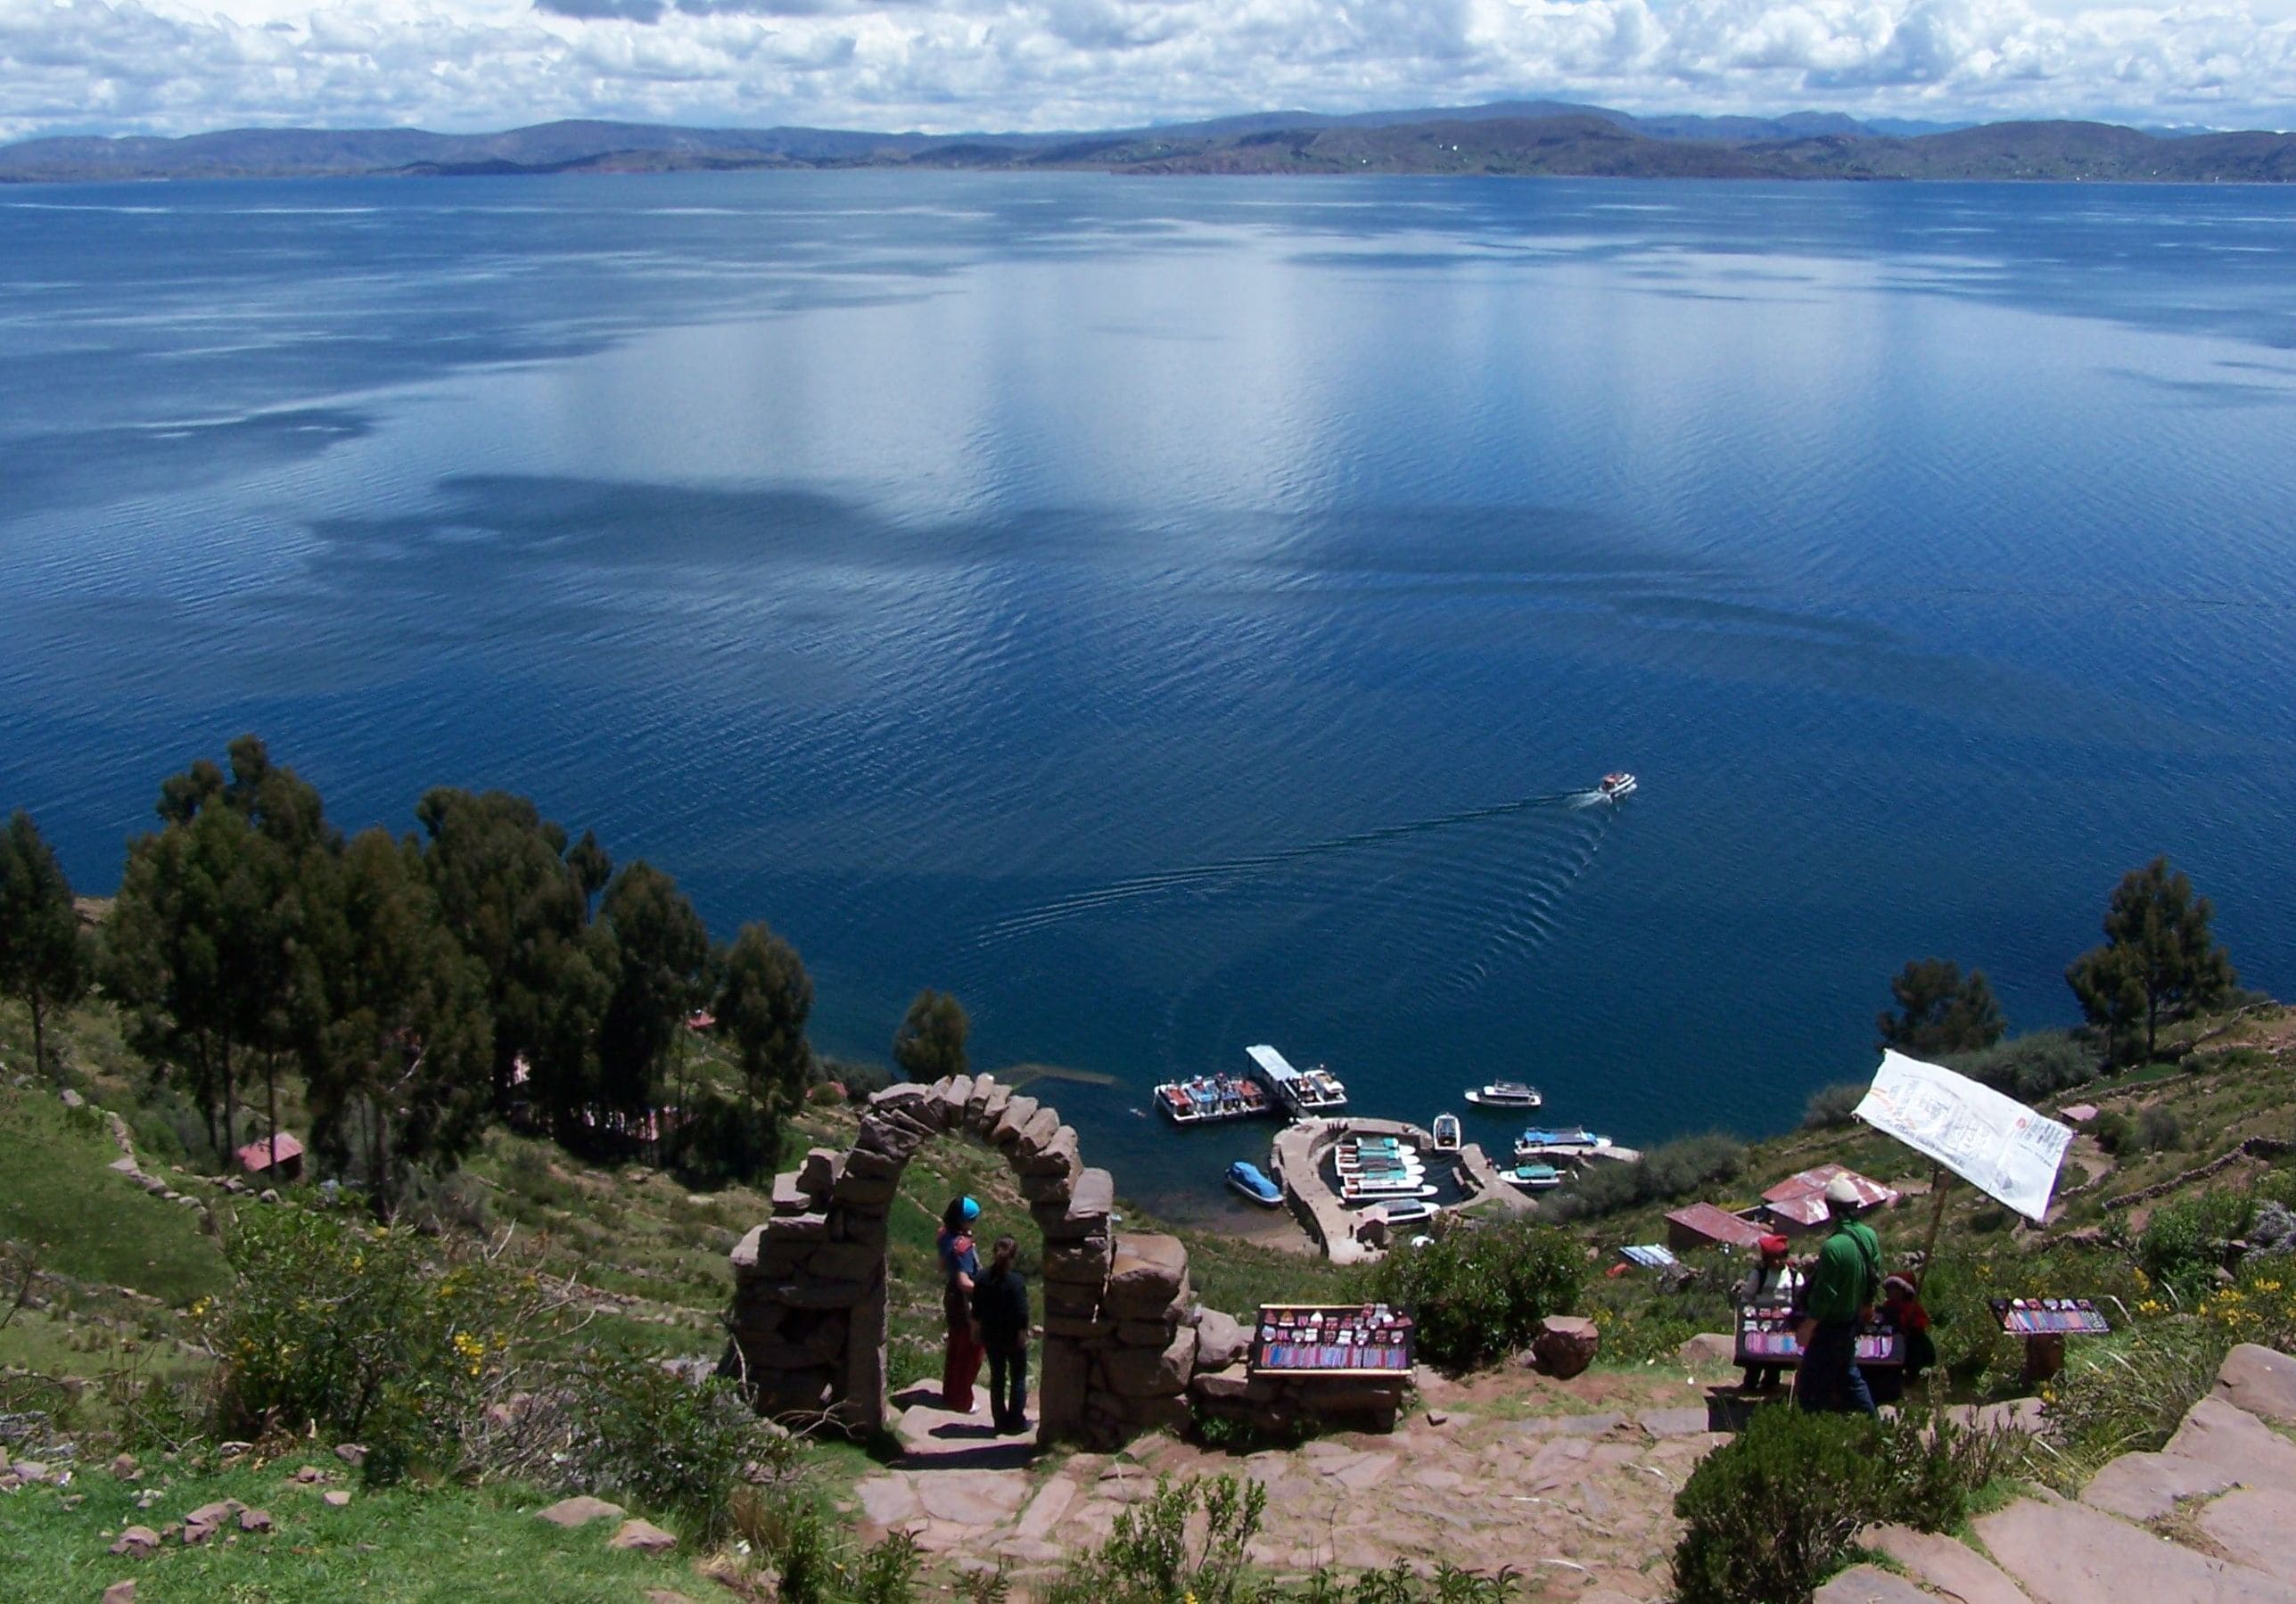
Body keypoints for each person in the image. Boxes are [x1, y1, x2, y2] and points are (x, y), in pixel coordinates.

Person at [1795, 1175, 1881, 1417]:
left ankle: (1810, 1427)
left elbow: (1826, 1294)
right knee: (1848, 1374)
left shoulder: (1833, 1246)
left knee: (1812, 1382)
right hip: (1852, 1320)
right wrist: (1867, 1304)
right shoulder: (1869, 1236)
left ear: (1831, 1208)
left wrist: (1808, 1325)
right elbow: (1873, 1275)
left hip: (1829, 1325)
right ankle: (1873, 1423)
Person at [971, 1234, 1033, 1435]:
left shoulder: (981, 1278)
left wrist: (976, 1332)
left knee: (997, 1377)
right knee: (1018, 1377)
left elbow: (976, 1310)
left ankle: (1000, 1420)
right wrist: (1022, 1335)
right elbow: (1022, 1313)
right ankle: (1016, 1421)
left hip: (990, 1334)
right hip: (1012, 1335)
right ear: (1013, 1257)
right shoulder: (1016, 1281)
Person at [1737, 1234, 1801, 1394]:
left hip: (1783, 1324)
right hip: (1761, 1322)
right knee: (1756, 1356)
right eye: (1773, 1258)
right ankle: (1750, 1383)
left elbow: (1800, 1299)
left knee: (1776, 1356)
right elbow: (1747, 1297)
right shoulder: (1759, 1275)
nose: (1777, 1262)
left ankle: (1771, 1384)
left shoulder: (1795, 1277)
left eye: (1780, 1257)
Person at [937, 1196, 984, 1412]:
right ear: (962, 1220)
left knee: (956, 1347)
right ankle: (962, 1400)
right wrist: (988, 1291)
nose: (974, 1223)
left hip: (951, 1297)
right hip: (966, 1302)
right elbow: (964, 1282)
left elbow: (941, 1266)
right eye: (972, 1219)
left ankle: (950, 1394)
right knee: (971, 1351)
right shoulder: (963, 1247)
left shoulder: (944, 1235)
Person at [1869, 1272, 1935, 1405]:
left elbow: (1921, 1325)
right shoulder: (1885, 1309)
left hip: (1909, 1347)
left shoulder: (1912, 1309)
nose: (1892, 1292)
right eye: (1890, 1289)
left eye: (1896, 1289)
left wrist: (1910, 1326)